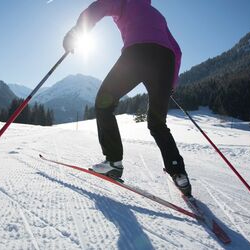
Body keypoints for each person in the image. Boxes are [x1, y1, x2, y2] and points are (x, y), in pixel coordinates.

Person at [63, 0, 190, 195]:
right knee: (157, 123)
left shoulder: (123, 2)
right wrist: (170, 84)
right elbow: (177, 50)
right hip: (166, 61)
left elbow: (96, 9)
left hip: (137, 54)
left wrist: (75, 33)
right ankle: (179, 173)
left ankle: (113, 162)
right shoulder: (157, 14)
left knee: (103, 104)